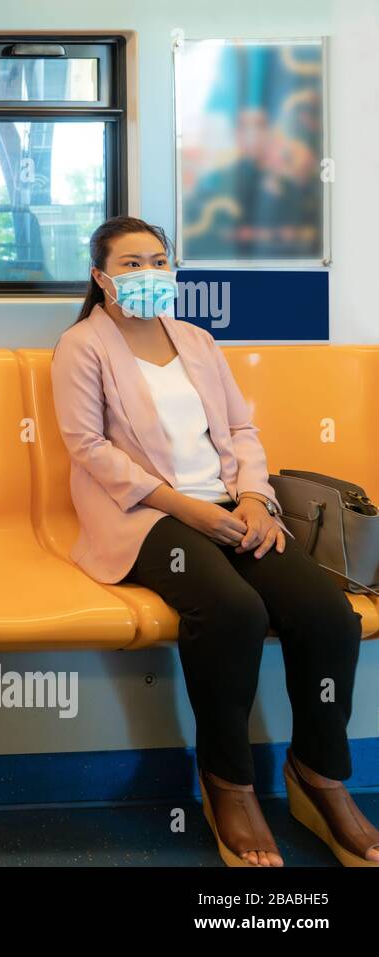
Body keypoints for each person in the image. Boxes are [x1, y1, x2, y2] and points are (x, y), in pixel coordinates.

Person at [51, 215, 377, 867]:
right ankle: (227, 782)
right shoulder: (82, 346)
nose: (148, 274)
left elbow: (242, 431)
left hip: (235, 507)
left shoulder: (198, 339)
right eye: (132, 264)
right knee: (232, 610)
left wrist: (256, 499)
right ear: (101, 278)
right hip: (148, 515)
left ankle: (319, 773)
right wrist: (189, 512)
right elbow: (87, 448)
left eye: (158, 261)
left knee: (327, 613)